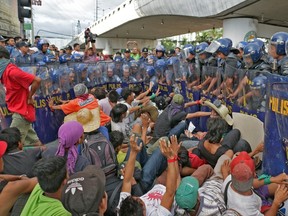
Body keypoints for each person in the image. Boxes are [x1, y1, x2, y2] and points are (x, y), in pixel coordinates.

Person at [117, 135, 179, 216]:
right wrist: (172, 158)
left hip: (154, 188)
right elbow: (170, 192)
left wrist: (133, 152)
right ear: (144, 210)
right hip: (174, 191)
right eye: (139, 200)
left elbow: (127, 181)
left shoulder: (123, 210)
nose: (139, 197)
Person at [222, 151, 288, 215]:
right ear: (254, 174)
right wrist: (276, 202)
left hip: (255, 194)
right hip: (258, 207)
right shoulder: (247, 210)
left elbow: (251, 183)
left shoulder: (229, 179)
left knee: (283, 183)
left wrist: (272, 179)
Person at [0, 46, 42, 146]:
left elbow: (37, 80)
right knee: (34, 143)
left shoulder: (12, 71)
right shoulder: (5, 72)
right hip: (20, 112)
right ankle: (44, 158)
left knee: (12, 146)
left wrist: (29, 97)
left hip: (21, 113)